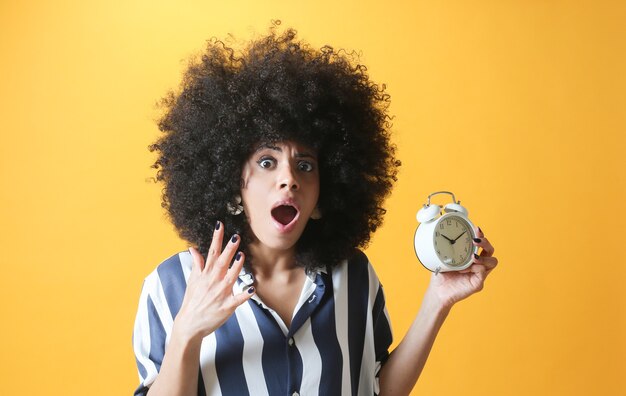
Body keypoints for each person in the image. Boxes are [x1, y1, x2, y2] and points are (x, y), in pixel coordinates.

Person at [132, 23, 498, 396]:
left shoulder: (353, 275)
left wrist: (438, 300)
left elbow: (378, 389)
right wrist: (187, 331)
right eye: (266, 162)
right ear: (233, 186)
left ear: (323, 198)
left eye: (304, 165)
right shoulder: (172, 286)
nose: (289, 179)